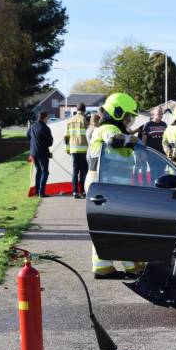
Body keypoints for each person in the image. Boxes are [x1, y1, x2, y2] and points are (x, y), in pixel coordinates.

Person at [86, 92, 144, 279]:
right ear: (117, 112)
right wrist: (133, 140)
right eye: (128, 116)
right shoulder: (107, 128)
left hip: (107, 184)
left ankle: (103, 266)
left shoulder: (116, 130)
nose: (129, 121)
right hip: (105, 184)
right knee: (122, 225)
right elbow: (114, 140)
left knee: (105, 225)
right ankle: (133, 265)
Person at [64, 102, 89, 199]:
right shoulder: (84, 120)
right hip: (84, 150)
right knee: (83, 171)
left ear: (76, 109)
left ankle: (74, 192)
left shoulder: (70, 120)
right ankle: (82, 191)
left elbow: (66, 136)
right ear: (84, 110)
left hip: (73, 150)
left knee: (75, 171)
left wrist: (67, 149)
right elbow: (89, 134)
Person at [27, 111, 53, 197]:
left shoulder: (32, 126)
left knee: (38, 170)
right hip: (43, 153)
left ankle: (36, 191)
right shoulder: (45, 128)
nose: (48, 119)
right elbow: (50, 143)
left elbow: (28, 136)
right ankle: (41, 192)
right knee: (45, 171)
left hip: (33, 152)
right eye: (47, 117)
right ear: (45, 117)